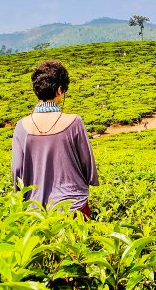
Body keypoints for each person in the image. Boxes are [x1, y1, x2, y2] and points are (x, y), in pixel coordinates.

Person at [11, 59, 98, 218]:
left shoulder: (21, 126)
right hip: (73, 207)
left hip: (36, 211)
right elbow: (88, 167)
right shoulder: (74, 122)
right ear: (59, 90)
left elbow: (17, 170)